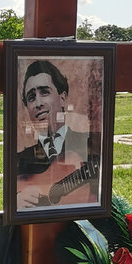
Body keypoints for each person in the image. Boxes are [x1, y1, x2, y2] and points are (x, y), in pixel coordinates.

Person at [16, 59, 99, 209]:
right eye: (31, 97)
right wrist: (16, 200)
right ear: (27, 107)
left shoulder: (91, 144)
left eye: (45, 92)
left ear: (62, 98)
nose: (38, 103)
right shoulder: (19, 160)